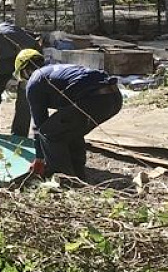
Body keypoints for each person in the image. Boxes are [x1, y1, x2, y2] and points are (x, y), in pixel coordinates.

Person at [14, 48, 122, 179]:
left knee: (49, 133)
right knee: (69, 130)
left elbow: (39, 125)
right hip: (114, 97)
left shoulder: (34, 81)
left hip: (93, 99)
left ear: (25, 70)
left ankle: (62, 179)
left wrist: (39, 158)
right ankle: (78, 175)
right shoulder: (55, 71)